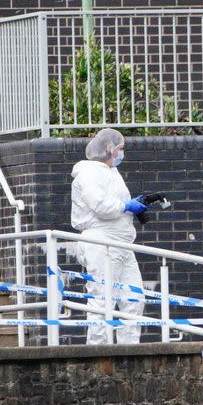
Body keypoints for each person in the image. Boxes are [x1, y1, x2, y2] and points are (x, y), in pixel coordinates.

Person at [71, 128, 152, 345]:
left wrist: (131, 204)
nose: (121, 153)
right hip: (102, 242)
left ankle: (129, 350)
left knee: (134, 299)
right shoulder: (89, 173)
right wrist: (126, 205)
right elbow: (100, 205)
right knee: (102, 298)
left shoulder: (111, 173)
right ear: (109, 148)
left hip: (122, 243)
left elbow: (114, 203)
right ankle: (97, 351)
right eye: (120, 149)